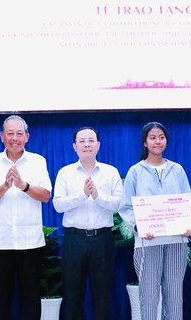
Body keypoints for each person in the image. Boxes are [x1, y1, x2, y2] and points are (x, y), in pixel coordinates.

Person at [0, 115, 52, 320]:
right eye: (10, 133)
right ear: (2, 137)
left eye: (20, 133)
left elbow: (46, 195)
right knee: (0, 302)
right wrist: (4, 186)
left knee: (31, 301)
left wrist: (22, 185)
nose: (15, 138)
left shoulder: (38, 161)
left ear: (27, 137)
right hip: (1, 244)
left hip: (31, 244)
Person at [118, 122, 191, 320]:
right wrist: (139, 227)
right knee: (148, 297)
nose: (157, 141)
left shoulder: (177, 170)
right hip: (147, 242)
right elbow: (125, 207)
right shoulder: (136, 171)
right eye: (152, 137)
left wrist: (188, 226)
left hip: (176, 241)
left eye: (161, 137)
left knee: (175, 295)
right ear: (145, 142)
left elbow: (188, 202)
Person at [52, 127, 123, 320]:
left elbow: (118, 204)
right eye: (81, 141)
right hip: (74, 240)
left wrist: (97, 196)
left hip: (103, 239)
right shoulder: (65, 173)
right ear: (74, 146)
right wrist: (82, 195)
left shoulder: (110, 172)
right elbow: (58, 205)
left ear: (98, 145)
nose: (86, 145)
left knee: (103, 296)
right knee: (73, 296)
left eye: (91, 140)